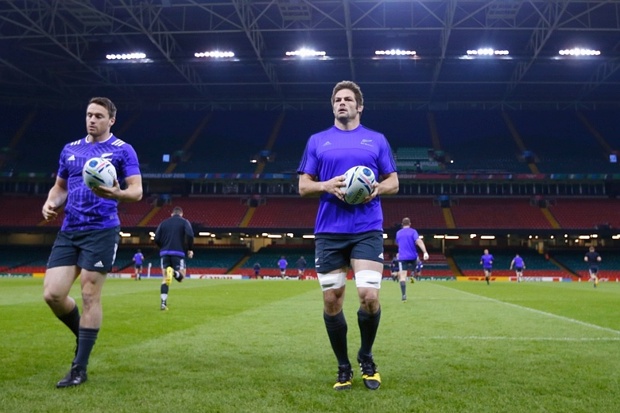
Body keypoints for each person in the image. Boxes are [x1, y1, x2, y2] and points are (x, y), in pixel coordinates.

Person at [298, 80, 399, 391]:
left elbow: (393, 181)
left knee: (369, 297)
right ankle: (343, 366)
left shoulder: (376, 140)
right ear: (333, 106)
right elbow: (304, 186)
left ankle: (366, 357)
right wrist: (326, 185)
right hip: (329, 231)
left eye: (348, 99)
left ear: (359, 106)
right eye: (338, 100)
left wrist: (377, 189)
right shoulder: (317, 141)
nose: (342, 103)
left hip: (366, 228)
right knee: (332, 301)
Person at [41, 97, 143, 388]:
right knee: (53, 295)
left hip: (101, 230)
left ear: (111, 120)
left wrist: (117, 193)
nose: (92, 120)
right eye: (89, 115)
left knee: (89, 295)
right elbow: (60, 188)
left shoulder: (123, 150)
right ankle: (84, 335)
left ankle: (79, 368)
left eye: (99, 115)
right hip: (69, 229)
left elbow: (136, 191)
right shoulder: (70, 149)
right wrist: (51, 203)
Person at [154, 206, 194, 310]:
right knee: (181, 278)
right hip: (178, 252)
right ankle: (174, 272)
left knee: (164, 279)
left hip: (164, 253)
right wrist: (189, 249)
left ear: (171, 214)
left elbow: (156, 238)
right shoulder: (184, 222)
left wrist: (162, 247)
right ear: (181, 214)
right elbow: (190, 234)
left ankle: (163, 303)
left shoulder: (163, 223)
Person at [395, 217, 429, 302]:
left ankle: (403, 295)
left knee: (402, 277)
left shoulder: (398, 233)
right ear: (410, 224)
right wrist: (425, 252)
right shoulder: (413, 231)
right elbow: (418, 241)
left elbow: (397, 243)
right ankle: (414, 272)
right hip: (413, 256)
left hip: (402, 257)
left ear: (402, 224)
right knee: (418, 265)